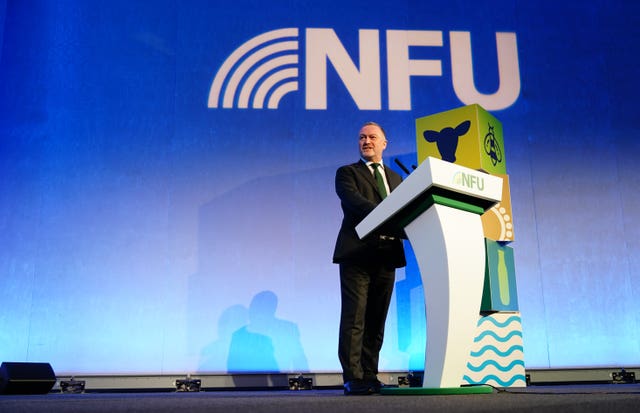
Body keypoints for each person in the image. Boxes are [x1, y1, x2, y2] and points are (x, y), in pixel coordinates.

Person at [332, 121, 406, 395]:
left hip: (387, 255)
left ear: (384, 143)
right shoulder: (347, 173)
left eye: (373, 137)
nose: (367, 141)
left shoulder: (397, 179)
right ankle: (353, 376)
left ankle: (370, 374)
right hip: (358, 255)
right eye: (362, 137)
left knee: (377, 318)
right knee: (355, 317)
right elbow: (355, 203)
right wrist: (388, 214)